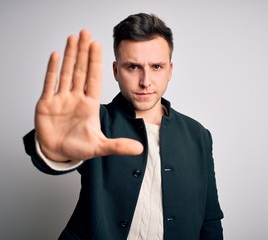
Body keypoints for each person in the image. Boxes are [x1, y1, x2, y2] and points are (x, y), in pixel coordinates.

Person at [23, 13, 224, 240]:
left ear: (170, 70)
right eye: (133, 67)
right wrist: (53, 152)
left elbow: (210, 219)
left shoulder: (198, 135)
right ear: (116, 71)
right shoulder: (94, 120)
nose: (145, 81)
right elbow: (54, 154)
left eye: (157, 66)